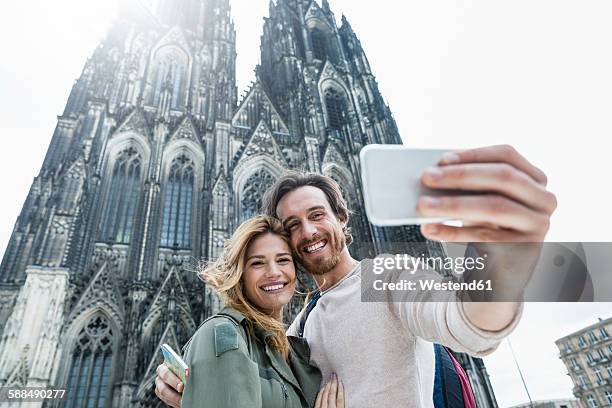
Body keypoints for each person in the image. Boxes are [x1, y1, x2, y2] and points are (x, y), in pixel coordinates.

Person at [156, 145, 557, 407]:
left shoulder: (385, 277)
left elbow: (469, 325)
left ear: (341, 218)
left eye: (316, 216)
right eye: (292, 225)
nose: (308, 232)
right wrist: (196, 392)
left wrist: (502, 260)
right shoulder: (298, 328)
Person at [177, 215, 345, 408]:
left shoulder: (295, 350)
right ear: (239, 274)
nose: (273, 272)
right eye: (257, 263)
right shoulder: (223, 333)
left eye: (283, 260)